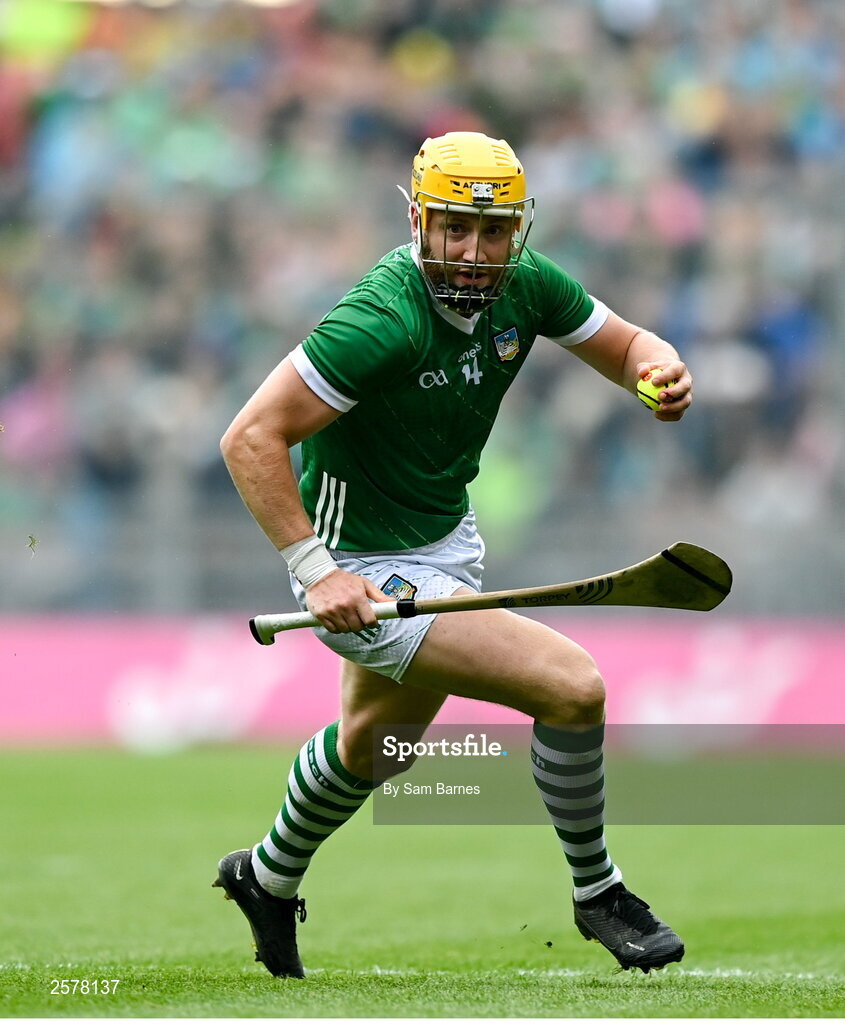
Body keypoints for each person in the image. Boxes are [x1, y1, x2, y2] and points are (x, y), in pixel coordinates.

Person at [213, 131, 692, 977]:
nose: (474, 254)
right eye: (453, 231)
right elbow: (251, 436)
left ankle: (266, 875)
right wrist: (316, 570)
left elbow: (622, 346)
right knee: (572, 690)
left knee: (372, 751)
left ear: (519, 231)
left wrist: (658, 370)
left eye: (495, 232)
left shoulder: (528, 286)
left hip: (445, 543)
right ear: (417, 222)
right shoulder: (381, 319)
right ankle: (598, 892)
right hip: (360, 563)